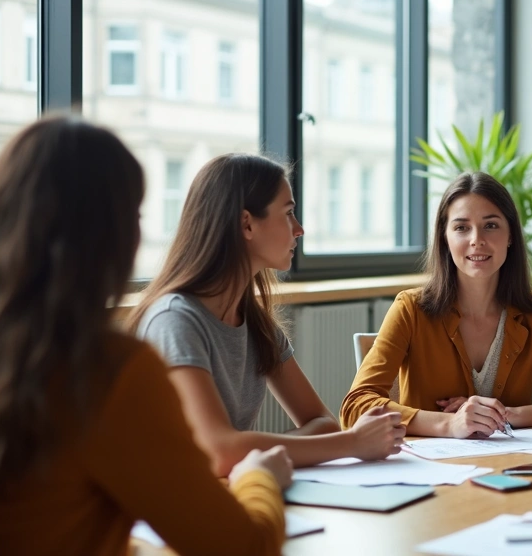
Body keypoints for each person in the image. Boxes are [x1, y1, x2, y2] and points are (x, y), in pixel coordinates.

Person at [0, 117, 291, 555]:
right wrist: (259, 477)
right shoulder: (108, 371)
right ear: (110, 236)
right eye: (135, 215)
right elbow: (243, 548)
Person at [128, 154, 405, 476]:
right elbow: (219, 451)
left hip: (225, 495)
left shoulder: (257, 324)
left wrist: (252, 451)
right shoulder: (175, 320)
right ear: (246, 223)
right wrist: (352, 443)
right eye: (288, 213)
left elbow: (323, 423)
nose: (299, 229)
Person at [341, 172, 532, 437]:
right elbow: (355, 407)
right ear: (445, 237)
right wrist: (450, 423)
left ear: (511, 235)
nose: (477, 240)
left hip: (511, 472)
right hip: (431, 476)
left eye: (490, 225)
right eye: (462, 228)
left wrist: (507, 415)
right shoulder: (410, 309)